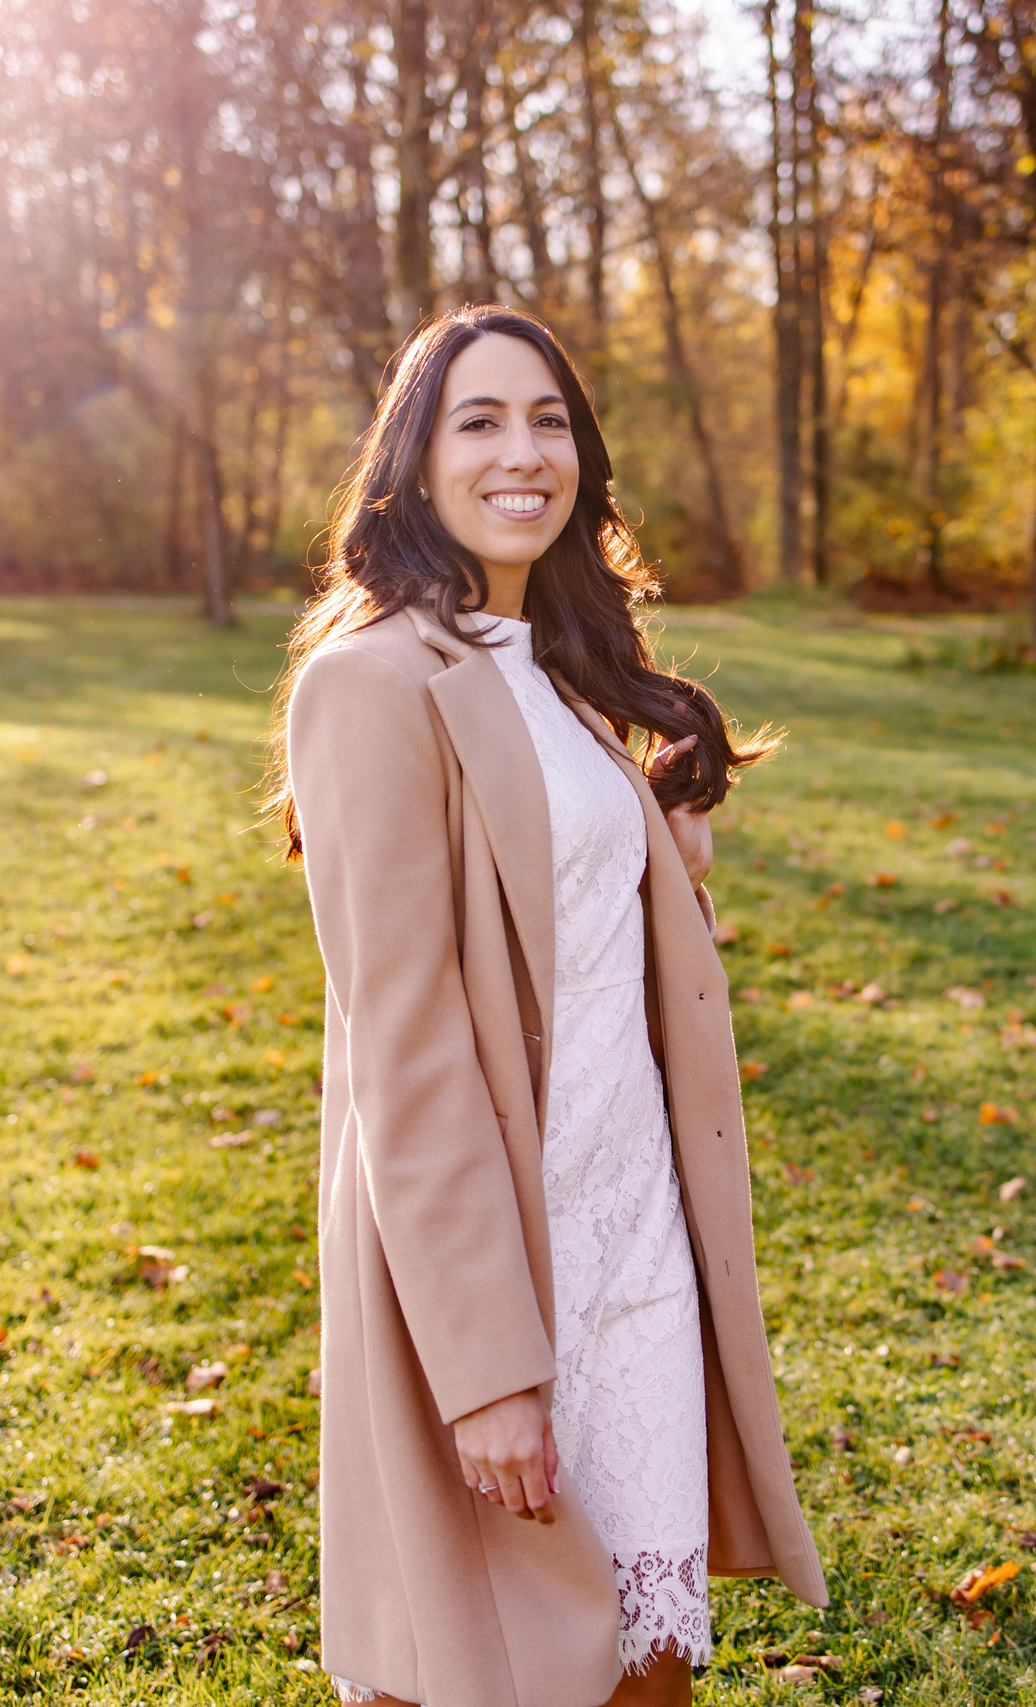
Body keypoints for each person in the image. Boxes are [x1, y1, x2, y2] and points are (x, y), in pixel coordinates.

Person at [267, 304, 824, 1707]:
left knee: (647, 1658)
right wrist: (487, 1371)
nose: (525, 452)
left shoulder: (563, 674)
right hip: (502, 1260)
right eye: (480, 420)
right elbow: (408, 1052)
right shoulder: (370, 684)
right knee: (490, 1657)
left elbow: (584, 947)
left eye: (550, 420)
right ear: (415, 463)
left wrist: (665, 854)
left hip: (632, 1234)